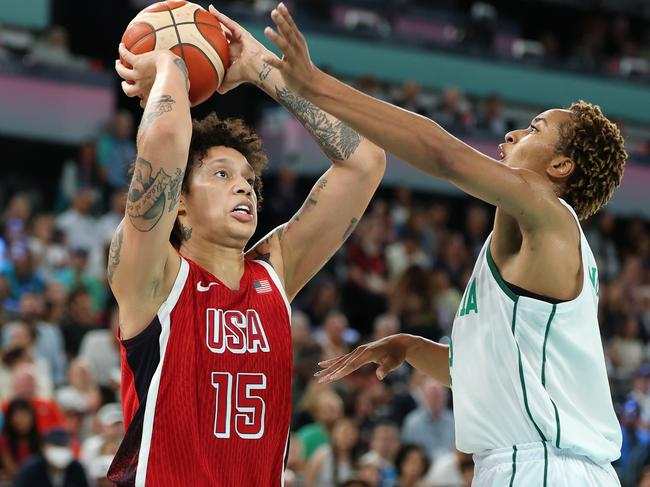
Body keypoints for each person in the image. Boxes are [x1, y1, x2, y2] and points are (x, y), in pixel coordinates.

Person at [258, 3, 627, 485]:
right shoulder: (535, 247)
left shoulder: (550, 215)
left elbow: (442, 155)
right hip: (548, 466)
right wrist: (412, 346)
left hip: (537, 466)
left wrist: (315, 86)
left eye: (536, 129)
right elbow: (491, 374)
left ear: (560, 168)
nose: (514, 132)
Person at [107, 6, 386, 485]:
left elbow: (365, 161)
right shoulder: (152, 276)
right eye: (221, 175)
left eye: (248, 180)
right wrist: (172, 68)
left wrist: (261, 70)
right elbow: (167, 136)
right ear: (178, 204)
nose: (243, 188)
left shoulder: (273, 273)